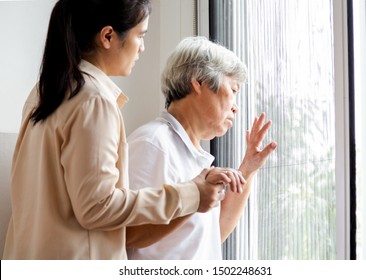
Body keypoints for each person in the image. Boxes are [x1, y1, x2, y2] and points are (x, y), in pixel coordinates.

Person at [2, 1, 246, 260]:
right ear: (108, 36)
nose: (142, 47)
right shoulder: (94, 102)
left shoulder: (43, 93)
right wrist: (191, 194)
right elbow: (98, 206)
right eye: (140, 36)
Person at [126, 36, 278, 259]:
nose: (236, 108)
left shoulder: (192, 155)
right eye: (233, 90)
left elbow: (211, 237)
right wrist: (194, 198)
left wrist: (248, 168)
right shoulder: (152, 144)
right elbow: (126, 234)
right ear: (198, 82)